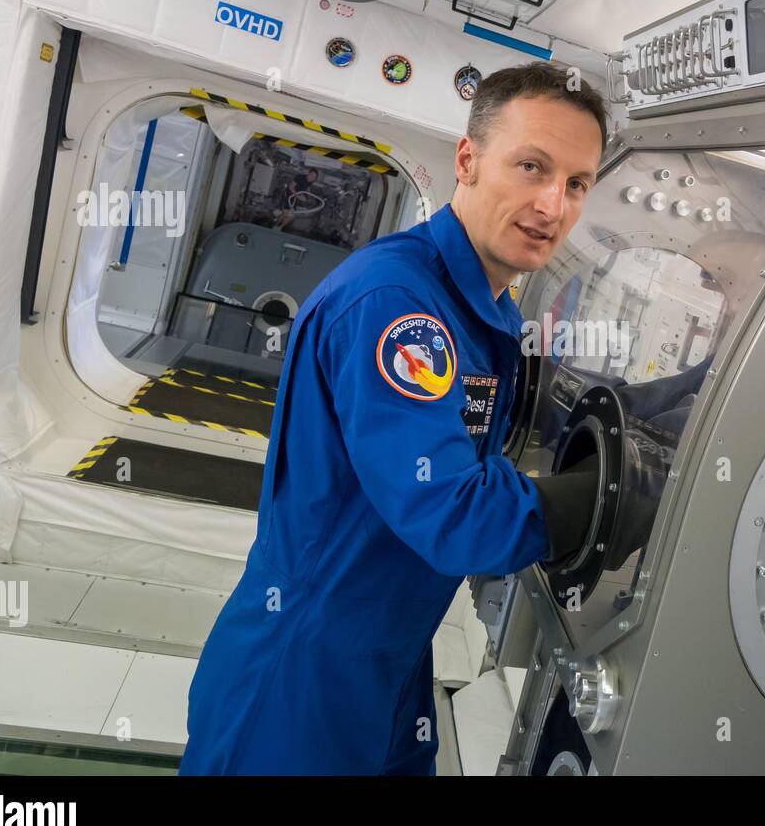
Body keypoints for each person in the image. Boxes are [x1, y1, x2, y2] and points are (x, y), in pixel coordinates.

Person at [179, 61, 608, 775]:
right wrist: (617, 500)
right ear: (467, 160)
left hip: (388, 657)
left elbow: (527, 407)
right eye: (531, 166)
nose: (552, 204)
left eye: (575, 184)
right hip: (305, 674)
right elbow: (457, 516)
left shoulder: (485, 308)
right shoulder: (398, 308)